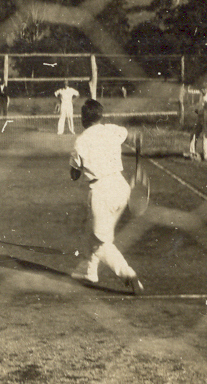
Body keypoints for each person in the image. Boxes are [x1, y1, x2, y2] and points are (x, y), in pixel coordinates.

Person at [69, 99, 144, 294]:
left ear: (83, 119)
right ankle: (90, 271)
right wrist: (137, 139)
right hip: (121, 188)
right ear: (100, 116)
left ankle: (128, 274)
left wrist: (76, 166)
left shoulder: (81, 141)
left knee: (100, 242)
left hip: (101, 192)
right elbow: (132, 136)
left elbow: (74, 175)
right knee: (93, 231)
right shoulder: (112, 129)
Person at [185, 76, 207, 161]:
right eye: (201, 89)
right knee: (193, 134)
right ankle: (192, 152)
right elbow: (200, 107)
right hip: (200, 117)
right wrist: (197, 110)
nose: (202, 90)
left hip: (206, 117)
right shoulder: (202, 95)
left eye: (204, 89)